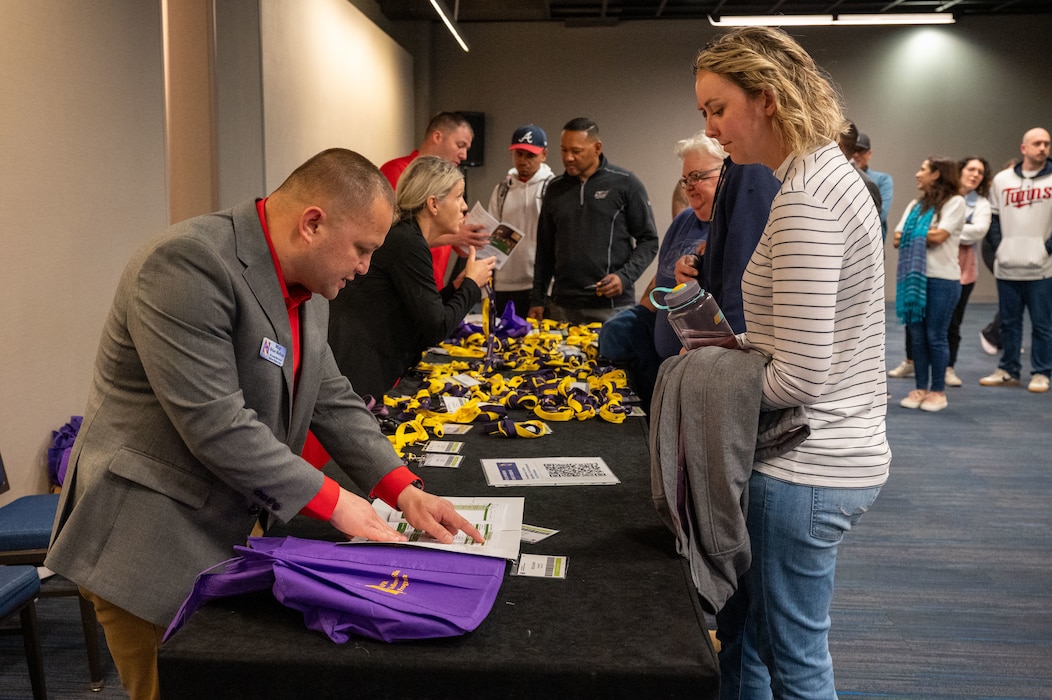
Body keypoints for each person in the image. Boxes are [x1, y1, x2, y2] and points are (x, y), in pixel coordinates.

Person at [45, 149, 485, 700]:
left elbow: (332, 399)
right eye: (362, 250)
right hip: (149, 540)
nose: (366, 268)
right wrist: (336, 501)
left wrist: (401, 489)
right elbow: (217, 423)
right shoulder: (185, 263)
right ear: (313, 223)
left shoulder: (311, 285)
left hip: (225, 528)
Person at [694, 27, 889, 698]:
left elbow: (800, 376)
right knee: (749, 643)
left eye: (718, 109)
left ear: (767, 100)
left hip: (807, 466)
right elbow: (803, 347)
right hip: (829, 452)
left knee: (794, 664)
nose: (713, 129)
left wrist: (711, 376)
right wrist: (739, 350)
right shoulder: (825, 177)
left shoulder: (806, 200)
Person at [329, 156, 496, 400]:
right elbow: (435, 328)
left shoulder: (407, 237)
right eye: (459, 196)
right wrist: (471, 286)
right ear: (433, 204)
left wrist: (457, 287)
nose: (464, 207)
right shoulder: (408, 243)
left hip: (363, 363)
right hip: (360, 371)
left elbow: (421, 311)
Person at [598, 131, 727, 411]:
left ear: (727, 173)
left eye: (699, 176)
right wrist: (640, 313)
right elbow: (662, 275)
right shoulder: (683, 220)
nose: (690, 187)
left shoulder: (731, 229)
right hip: (657, 363)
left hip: (699, 374)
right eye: (686, 179)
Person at [528, 117, 659, 324]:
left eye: (576, 151)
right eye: (564, 150)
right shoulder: (555, 189)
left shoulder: (625, 183)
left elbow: (649, 240)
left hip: (611, 307)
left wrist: (624, 278)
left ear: (597, 148)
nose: (568, 158)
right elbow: (544, 248)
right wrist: (537, 298)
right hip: (562, 306)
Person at [979, 127, 1052, 393]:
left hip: (1042, 268)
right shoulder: (1002, 180)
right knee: (1009, 323)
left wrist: (1046, 248)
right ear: (1024, 148)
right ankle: (1009, 369)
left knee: (1043, 324)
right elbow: (994, 218)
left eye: (1046, 143)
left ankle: (1042, 372)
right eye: (1037, 143)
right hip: (1007, 265)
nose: (1042, 148)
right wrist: (1001, 247)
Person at [380, 111, 489, 289]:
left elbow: (459, 246)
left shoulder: (450, 183)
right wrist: (453, 237)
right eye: (460, 145)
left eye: (467, 149)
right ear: (438, 137)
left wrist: (471, 238)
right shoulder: (398, 171)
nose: (464, 156)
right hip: (401, 284)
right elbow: (390, 236)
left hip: (432, 285)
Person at [892, 157, 966, 412]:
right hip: (915, 279)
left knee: (935, 336)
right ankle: (920, 388)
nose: (917, 174)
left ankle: (938, 391)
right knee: (917, 337)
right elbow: (896, 238)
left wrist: (914, 236)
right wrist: (923, 235)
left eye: (922, 169)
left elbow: (940, 236)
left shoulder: (956, 203)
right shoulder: (916, 205)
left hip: (943, 280)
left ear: (936, 174)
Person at [487, 124, 555, 315]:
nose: (523, 161)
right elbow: (492, 237)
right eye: (518, 154)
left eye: (530, 155)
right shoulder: (502, 190)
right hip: (504, 284)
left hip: (540, 286)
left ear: (544, 155)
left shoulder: (552, 188)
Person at [945, 156, 993, 387]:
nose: (975, 175)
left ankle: (948, 367)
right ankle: (912, 361)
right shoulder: (943, 195)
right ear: (960, 170)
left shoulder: (982, 204)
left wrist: (947, 229)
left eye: (980, 172)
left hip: (964, 270)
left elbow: (979, 231)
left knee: (953, 322)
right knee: (921, 318)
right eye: (971, 169)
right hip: (935, 266)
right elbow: (930, 224)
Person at [853, 132, 894, 241]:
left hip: (872, 242)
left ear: (869, 154)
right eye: (853, 149)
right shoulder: (840, 177)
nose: (856, 155)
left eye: (860, 151)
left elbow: (881, 215)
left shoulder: (882, 180)